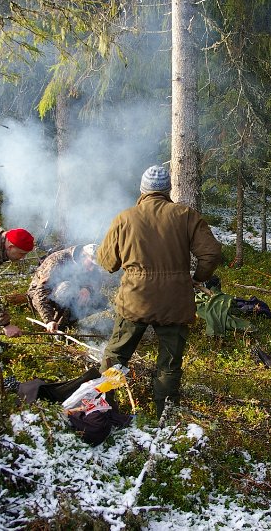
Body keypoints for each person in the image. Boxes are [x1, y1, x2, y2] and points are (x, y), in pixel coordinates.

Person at [97, 165, 223, 417]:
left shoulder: (125, 218)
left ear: (143, 190)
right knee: (169, 364)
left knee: (116, 355)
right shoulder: (186, 215)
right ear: (168, 190)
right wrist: (197, 279)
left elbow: (107, 262)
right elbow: (211, 253)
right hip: (174, 302)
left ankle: (104, 405)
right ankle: (165, 416)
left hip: (135, 300)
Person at [27, 244, 109, 333]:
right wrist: (48, 320)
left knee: (101, 301)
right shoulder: (58, 260)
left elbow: (95, 281)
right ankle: (56, 324)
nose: (92, 268)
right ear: (83, 256)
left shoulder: (90, 266)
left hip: (73, 290)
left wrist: (87, 289)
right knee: (67, 288)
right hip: (42, 295)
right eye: (91, 264)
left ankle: (65, 323)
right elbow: (40, 292)